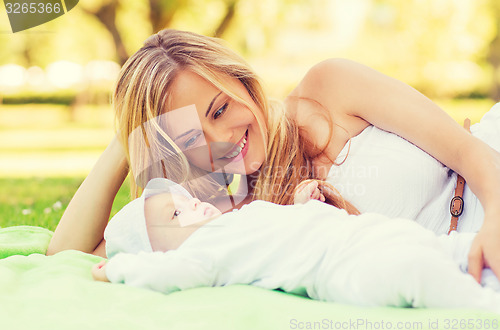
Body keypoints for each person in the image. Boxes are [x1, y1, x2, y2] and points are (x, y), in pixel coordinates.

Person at [47, 29, 500, 285]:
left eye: (220, 109)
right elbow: (67, 254)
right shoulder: (219, 207)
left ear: (241, 80)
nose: (220, 142)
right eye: (190, 139)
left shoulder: (330, 88)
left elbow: (471, 153)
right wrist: (126, 142)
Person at [92, 178, 500, 312]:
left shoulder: (239, 219)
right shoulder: (202, 254)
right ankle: (484, 308)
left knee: (443, 248)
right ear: (159, 251)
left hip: (364, 233)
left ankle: (477, 269)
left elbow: (282, 226)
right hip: (339, 267)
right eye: (175, 215)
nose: (191, 204)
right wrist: (117, 269)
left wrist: (302, 204)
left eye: (184, 199)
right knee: (415, 271)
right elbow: (171, 275)